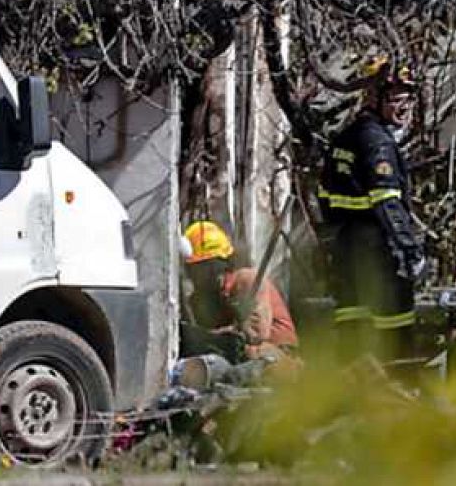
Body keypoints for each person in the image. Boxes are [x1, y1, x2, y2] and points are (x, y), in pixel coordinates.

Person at [317, 57, 428, 365]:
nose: (404, 106)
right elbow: (387, 201)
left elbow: (325, 195)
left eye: (408, 98)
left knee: (353, 335)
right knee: (395, 333)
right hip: (379, 252)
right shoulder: (377, 143)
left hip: (345, 250)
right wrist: (410, 250)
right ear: (372, 97)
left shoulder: (345, 137)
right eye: (395, 98)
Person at [180, 220, 299, 364]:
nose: (192, 275)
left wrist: (214, 337)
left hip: (276, 354)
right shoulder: (201, 299)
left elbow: (257, 333)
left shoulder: (246, 281)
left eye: (196, 268)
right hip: (237, 355)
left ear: (213, 266)